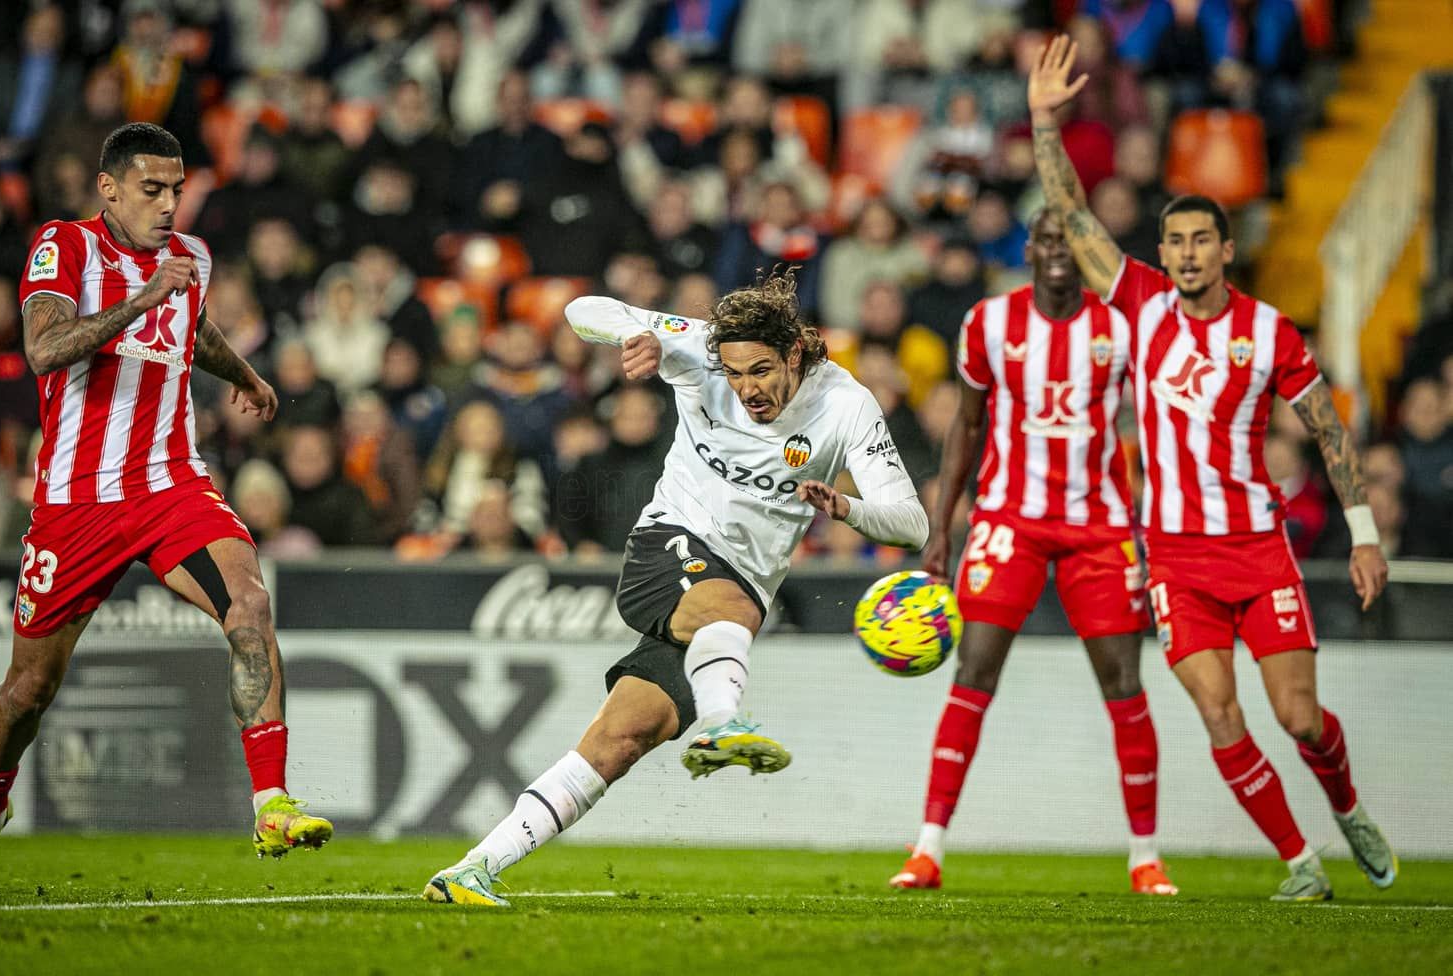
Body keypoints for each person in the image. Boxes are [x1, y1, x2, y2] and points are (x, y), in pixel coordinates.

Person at [422, 272, 929, 907]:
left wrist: (845, 507)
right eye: (735, 373)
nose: (746, 390)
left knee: (624, 737)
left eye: (762, 372)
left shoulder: (846, 405)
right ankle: (724, 721)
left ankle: (474, 867)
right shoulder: (698, 345)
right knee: (732, 607)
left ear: (796, 353)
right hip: (668, 547)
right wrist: (641, 334)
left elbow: (912, 524)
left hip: (732, 600)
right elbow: (584, 307)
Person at [1029, 36, 1393, 901]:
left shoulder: (1270, 333)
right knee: (1218, 713)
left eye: (1202, 240)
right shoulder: (1141, 302)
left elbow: (1331, 436)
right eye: (1175, 241)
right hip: (1177, 559)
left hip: (1257, 548)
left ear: (1228, 250)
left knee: (1299, 718)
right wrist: (1046, 123)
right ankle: (1300, 864)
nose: (1187, 253)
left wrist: (1366, 535)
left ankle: (1346, 805)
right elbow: (1074, 215)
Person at [0, 123, 332, 893]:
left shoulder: (191, 259)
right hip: (75, 501)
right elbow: (45, 350)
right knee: (27, 693)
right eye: (151, 190)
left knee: (250, 607)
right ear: (111, 188)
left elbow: (191, 328)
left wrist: (245, 374)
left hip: (171, 485)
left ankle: (270, 803)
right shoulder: (63, 246)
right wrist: (141, 296)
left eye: (176, 191)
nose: (167, 206)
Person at [891, 208, 1174, 897]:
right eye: (1045, 241)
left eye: (1067, 242)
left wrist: (1161, 531)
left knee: (1124, 685)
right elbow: (965, 423)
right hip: (1008, 518)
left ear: (1082, 253)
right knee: (974, 671)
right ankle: (928, 849)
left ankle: (1145, 856)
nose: (1055, 252)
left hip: (1100, 527)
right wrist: (941, 526)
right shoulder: (989, 323)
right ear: (1029, 250)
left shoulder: (1121, 326)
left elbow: (1161, 425)